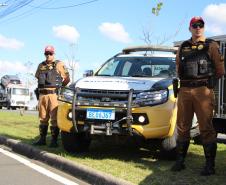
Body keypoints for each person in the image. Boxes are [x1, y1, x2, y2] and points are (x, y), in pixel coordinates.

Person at [171, 16, 225, 175]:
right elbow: (178, 67)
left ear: (204, 27)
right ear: (190, 28)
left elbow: (220, 70)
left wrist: (209, 86)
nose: (198, 28)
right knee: (182, 126)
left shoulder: (211, 45)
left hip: (203, 91)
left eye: (200, 25)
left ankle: (210, 166)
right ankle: (180, 162)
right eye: (194, 25)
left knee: (206, 128)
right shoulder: (183, 46)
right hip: (185, 91)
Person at [33, 45, 70, 147]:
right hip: (42, 95)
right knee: (43, 118)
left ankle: (54, 141)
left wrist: (60, 87)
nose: (48, 55)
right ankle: (42, 139)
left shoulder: (59, 64)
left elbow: (67, 79)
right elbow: (38, 78)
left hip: (53, 95)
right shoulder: (41, 65)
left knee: (54, 118)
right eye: (46, 53)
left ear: (53, 54)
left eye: (50, 53)